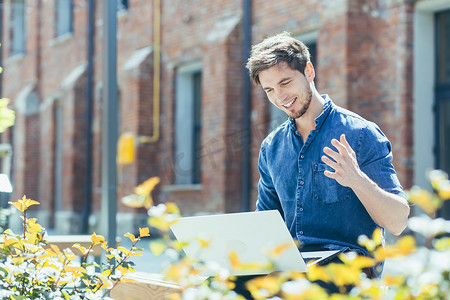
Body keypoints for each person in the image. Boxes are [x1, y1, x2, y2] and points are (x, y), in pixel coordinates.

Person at [245, 32, 410, 279]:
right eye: (269, 90)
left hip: (349, 272)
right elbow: (267, 225)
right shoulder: (272, 147)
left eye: (285, 83)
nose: (280, 97)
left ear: (309, 72)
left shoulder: (361, 134)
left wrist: (356, 179)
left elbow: (398, 221)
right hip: (294, 273)